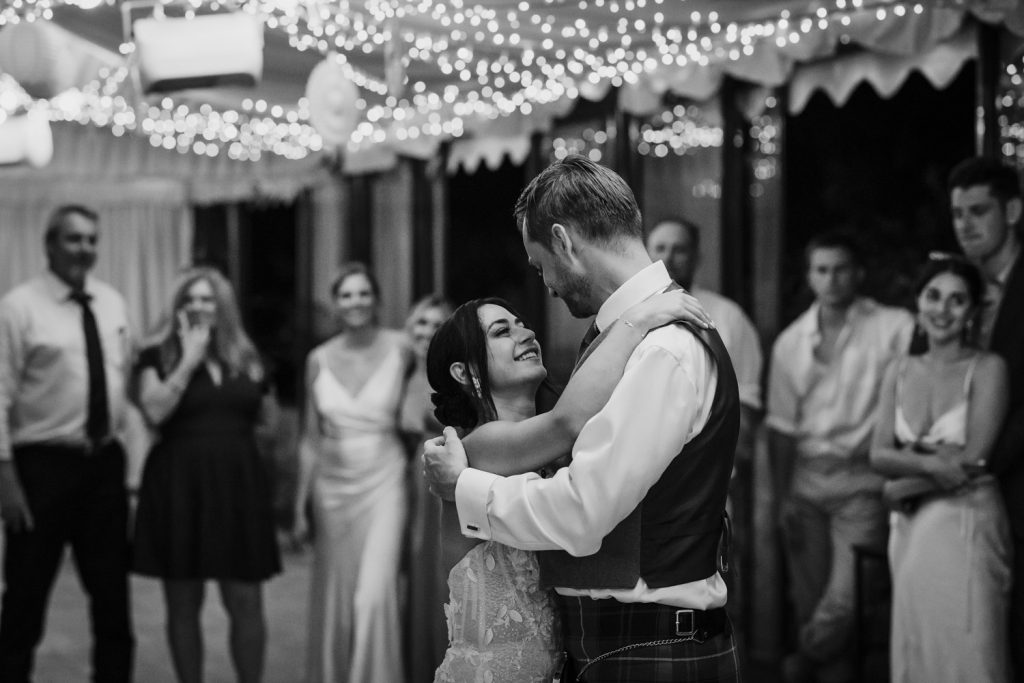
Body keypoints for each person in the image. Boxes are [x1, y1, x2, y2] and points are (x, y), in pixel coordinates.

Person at [424, 154, 742, 682]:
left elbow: (583, 510)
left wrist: (465, 488)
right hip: (607, 646)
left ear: (565, 242)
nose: (545, 283)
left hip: (647, 642)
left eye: (538, 263)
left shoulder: (662, 347)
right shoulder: (632, 337)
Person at [766, 231, 914, 683]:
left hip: (863, 481)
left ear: (859, 274)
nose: (832, 279)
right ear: (810, 277)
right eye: (822, 270)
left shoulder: (894, 327)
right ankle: (820, 669)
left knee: (846, 604)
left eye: (841, 268)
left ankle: (799, 663)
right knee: (812, 601)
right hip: (807, 481)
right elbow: (781, 428)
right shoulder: (791, 342)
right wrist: (781, 498)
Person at [0, 205, 135, 682]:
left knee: (113, 600)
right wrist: (6, 478)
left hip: (103, 466)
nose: (85, 250)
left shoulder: (112, 302)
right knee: (24, 599)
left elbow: (123, 381)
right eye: (75, 240)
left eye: (92, 240)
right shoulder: (19, 307)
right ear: (50, 244)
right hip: (41, 469)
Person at [132, 267, 281, 683]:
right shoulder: (155, 353)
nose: (198, 306)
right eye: (190, 299)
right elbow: (154, 410)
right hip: (179, 486)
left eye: (207, 299)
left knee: (246, 600)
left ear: (222, 306)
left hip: (238, 486)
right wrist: (189, 360)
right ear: (178, 307)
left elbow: (269, 424)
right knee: (183, 602)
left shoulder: (248, 356)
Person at [869, 255, 1011, 683]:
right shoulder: (898, 368)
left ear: (971, 311)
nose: (942, 310)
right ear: (917, 301)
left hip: (965, 524)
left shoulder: (987, 369)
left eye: (956, 300)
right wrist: (932, 461)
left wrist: (899, 486)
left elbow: (973, 460)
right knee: (919, 646)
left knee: (971, 647)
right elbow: (877, 454)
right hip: (908, 528)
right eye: (933, 296)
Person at [292, 262, 413, 683]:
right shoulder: (317, 360)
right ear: (335, 304)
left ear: (377, 300)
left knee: (373, 597)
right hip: (331, 489)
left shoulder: (402, 347)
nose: (356, 302)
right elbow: (309, 437)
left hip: (385, 481)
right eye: (346, 295)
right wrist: (297, 506)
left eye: (363, 293)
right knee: (337, 597)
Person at [645, 217, 764, 645]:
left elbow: (745, 411)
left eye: (679, 248)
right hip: (649, 488)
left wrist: (724, 477)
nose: (668, 257)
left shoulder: (728, 317)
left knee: (724, 585)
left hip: (715, 483)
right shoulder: (633, 317)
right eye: (659, 246)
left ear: (696, 256)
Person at [947, 157, 1024, 681]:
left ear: (1013, 210)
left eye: (978, 211)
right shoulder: (964, 291)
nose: (965, 224)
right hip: (974, 494)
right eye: (957, 214)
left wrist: (973, 467)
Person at [400, 294, 454, 683]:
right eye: (420, 322)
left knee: (439, 578)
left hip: (437, 491)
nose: (425, 331)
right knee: (412, 580)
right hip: (402, 486)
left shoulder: (452, 379)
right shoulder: (400, 373)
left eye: (436, 324)